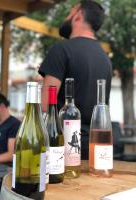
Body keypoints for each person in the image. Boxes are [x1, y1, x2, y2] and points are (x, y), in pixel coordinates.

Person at [38, 0, 112, 160]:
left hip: (62, 147)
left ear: (78, 15)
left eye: (69, 13)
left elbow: (45, 105)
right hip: (96, 148)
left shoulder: (62, 49)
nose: (66, 17)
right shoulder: (105, 58)